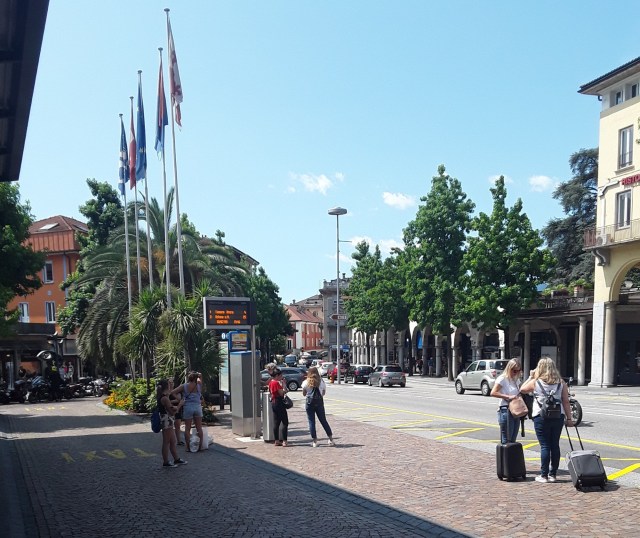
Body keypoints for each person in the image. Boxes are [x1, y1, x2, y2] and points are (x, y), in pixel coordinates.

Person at [520, 356, 574, 483]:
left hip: (541, 416)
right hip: (558, 416)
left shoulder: (536, 382)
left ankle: (544, 475)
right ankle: (553, 474)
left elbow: (522, 389)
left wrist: (531, 377)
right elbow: (566, 401)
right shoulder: (561, 382)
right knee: (555, 445)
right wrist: (569, 418)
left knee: (544, 445)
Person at [490, 358, 522, 444]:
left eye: (518, 371)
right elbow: (493, 392)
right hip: (506, 410)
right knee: (506, 440)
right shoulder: (502, 379)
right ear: (509, 368)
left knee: (513, 440)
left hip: (516, 410)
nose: (515, 373)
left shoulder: (516, 380)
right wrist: (508, 396)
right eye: (514, 370)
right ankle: (505, 453)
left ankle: (511, 453)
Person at [156, 379, 187, 468]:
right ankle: (166, 461)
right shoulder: (165, 398)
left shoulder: (163, 396)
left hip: (167, 420)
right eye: (169, 384)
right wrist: (180, 405)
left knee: (173, 441)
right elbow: (172, 412)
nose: (171, 385)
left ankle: (176, 458)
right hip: (166, 420)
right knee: (166, 441)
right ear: (166, 386)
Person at [301, 366, 335, 447]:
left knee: (311, 421)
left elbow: (304, 394)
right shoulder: (321, 381)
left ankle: (315, 441)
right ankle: (330, 439)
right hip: (319, 402)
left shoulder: (306, 382)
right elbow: (323, 393)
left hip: (309, 403)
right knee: (323, 420)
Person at [172, 371, 205, 452]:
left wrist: (180, 399)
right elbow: (200, 376)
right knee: (199, 427)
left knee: (187, 428)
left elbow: (173, 392)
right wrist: (198, 375)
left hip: (188, 407)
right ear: (195, 378)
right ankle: (200, 446)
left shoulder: (184, 386)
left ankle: (188, 447)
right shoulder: (198, 385)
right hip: (197, 406)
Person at [268, 368, 289, 447]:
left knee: (276, 422)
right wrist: (284, 386)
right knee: (285, 422)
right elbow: (281, 393)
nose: (281, 377)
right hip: (279, 403)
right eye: (280, 375)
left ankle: (276, 440)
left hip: (274, 403)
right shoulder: (276, 383)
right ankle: (284, 441)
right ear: (277, 375)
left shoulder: (271, 382)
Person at [169, 379, 184, 445]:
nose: (171, 384)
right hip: (169, 410)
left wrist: (172, 395)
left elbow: (180, 400)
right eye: (169, 383)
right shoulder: (166, 392)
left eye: (172, 382)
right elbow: (165, 400)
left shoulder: (177, 391)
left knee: (177, 425)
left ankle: (179, 440)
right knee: (170, 426)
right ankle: (170, 440)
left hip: (177, 409)